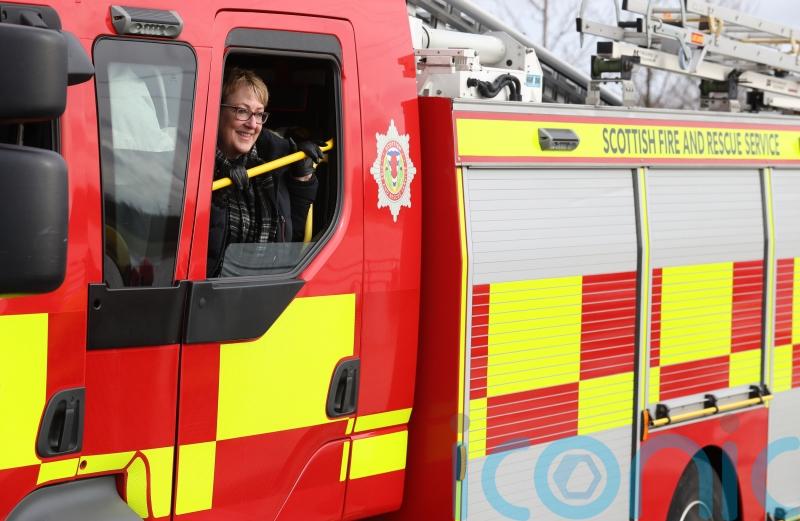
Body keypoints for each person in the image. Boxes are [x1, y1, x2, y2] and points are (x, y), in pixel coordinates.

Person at [207, 67, 323, 277]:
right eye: (242, 111)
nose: (252, 124)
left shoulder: (272, 166)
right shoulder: (193, 165)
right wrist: (217, 199)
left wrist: (301, 178)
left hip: (263, 291)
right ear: (217, 110)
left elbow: (290, 238)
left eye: (259, 114)